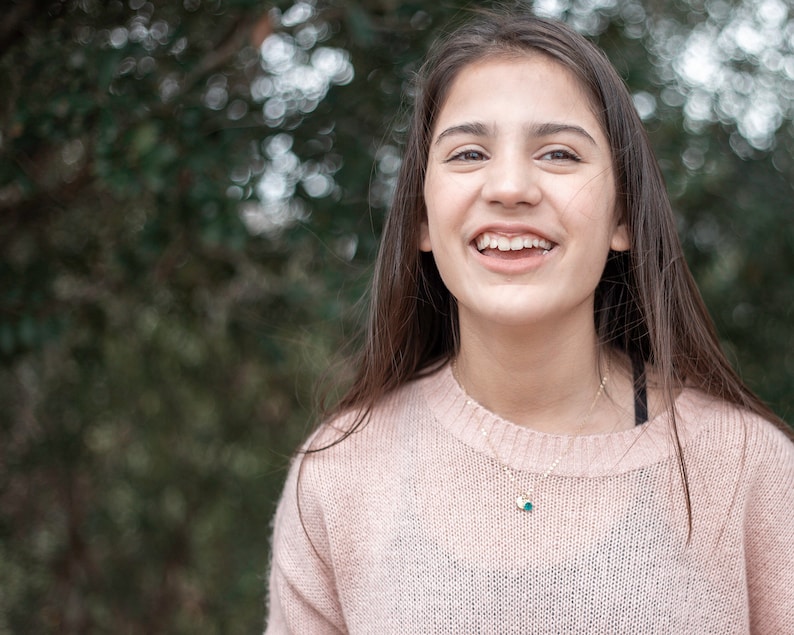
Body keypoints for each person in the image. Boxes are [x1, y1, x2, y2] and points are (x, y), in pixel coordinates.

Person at [264, 10, 794, 634]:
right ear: (423, 218)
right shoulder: (340, 472)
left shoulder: (746, 467)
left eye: (559, 153)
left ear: (622, 216)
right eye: (468, 153)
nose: (510, 186)